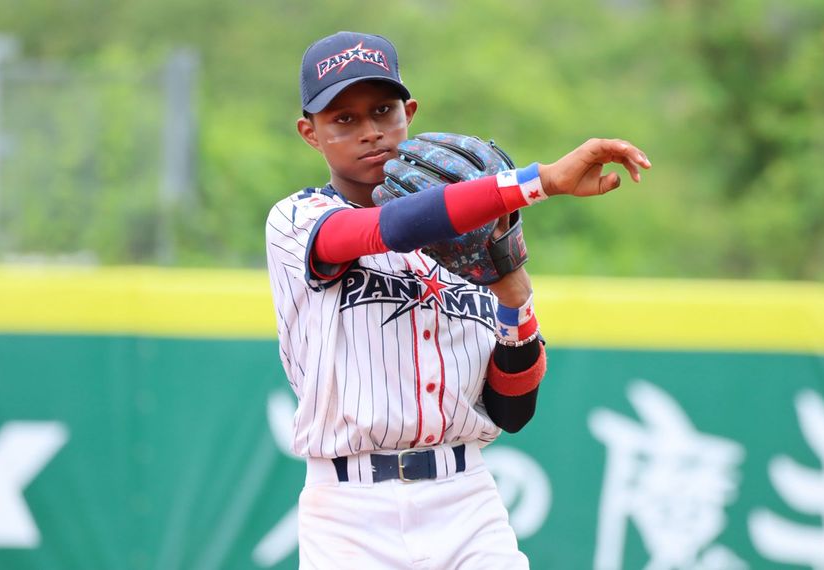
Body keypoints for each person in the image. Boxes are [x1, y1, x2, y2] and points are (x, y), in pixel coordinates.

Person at [266, 30, 651, 569]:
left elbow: (512, 410)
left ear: (409, 112)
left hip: (465, 499)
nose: (371, 132)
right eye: (343, 119)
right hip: (350, 513)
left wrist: (514, 292)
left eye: (383, 110)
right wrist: (539, 181)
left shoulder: (467, 242)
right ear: (311, 132)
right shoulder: (297, 220)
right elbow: (386, 228)